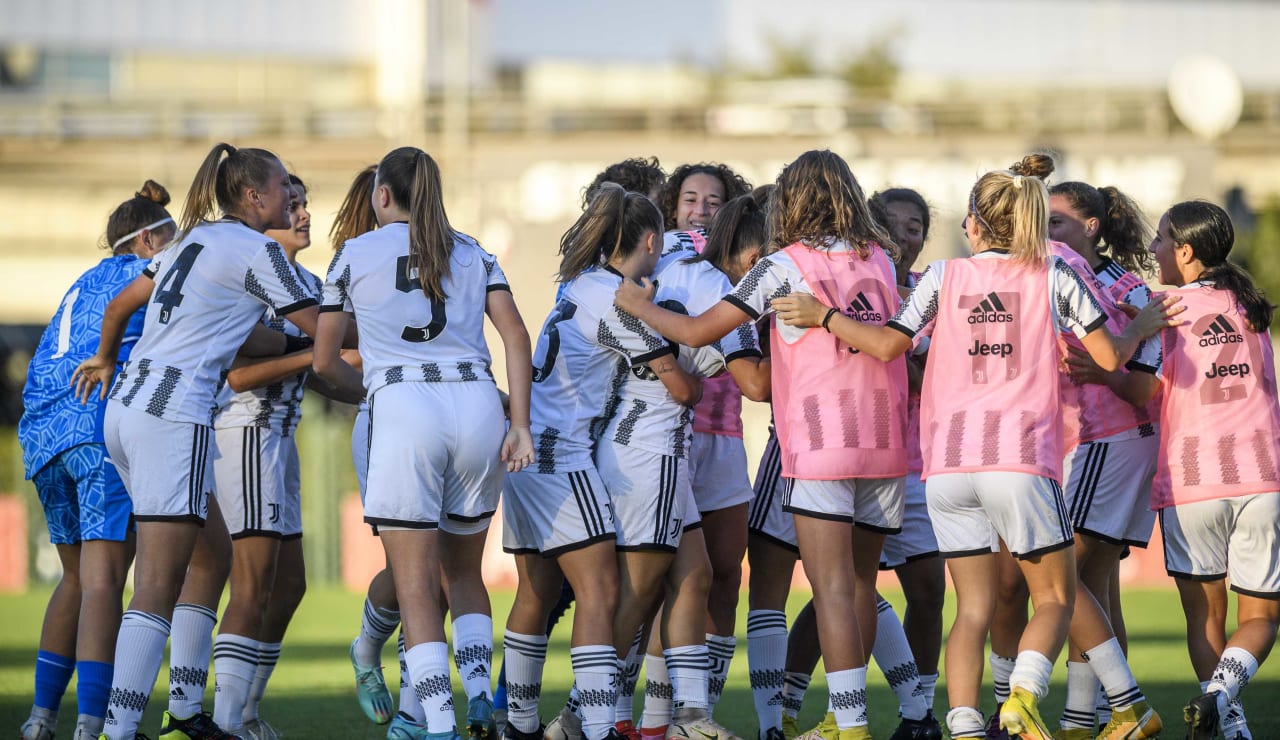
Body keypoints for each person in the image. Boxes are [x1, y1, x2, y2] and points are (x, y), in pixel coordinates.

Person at [763, 156, 1177, 740]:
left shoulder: (940, 276)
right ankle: (1022, 699)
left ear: (973, 223)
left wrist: (823, 316)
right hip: (1019, 458)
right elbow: (1110, 359)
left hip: (948, 466)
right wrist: (1135, 330)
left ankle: (964, 724)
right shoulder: (1054, 271)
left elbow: (886, 346)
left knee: (972, 610)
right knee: (1057, 595)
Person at [617, 149, 907, 740]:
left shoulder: (782, 264)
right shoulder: (879, 257)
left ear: (793, 200)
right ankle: (841, 719)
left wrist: (641, 308)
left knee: (827, 588)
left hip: (821, 442)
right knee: (860, 584)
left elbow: (700, 332)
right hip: (886, 440)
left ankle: (847, 722)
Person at [73, 142, 326, 740]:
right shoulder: (257, 248)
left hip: (129, 407)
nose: (292, 196)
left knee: (210, 552)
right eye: (282, 185)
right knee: (159, 581)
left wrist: (106, 359)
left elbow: (119, 304)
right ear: (252, 195)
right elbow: (322, 329)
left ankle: (186, 709)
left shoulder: (192, 239)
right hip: (176, 415)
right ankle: (120, 727)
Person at [313, 146, 534, 740]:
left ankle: (435, 724)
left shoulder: (355, 252)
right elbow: (516, 336)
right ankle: (481, 698)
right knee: (462, 574)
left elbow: (324, 360)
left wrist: (377, 389)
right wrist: (520, 424)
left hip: (403, 405)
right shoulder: (472, 249)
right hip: (477, 404)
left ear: (381, 195)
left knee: (415, 582)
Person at [1067, 200, 1279, 740]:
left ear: (1185, 251)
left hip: (1192, 481)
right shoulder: (1251, 304)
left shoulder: (1168, 308)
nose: (1155, 249)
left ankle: (1224, 716)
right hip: (1262, 476)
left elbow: (1142, 389)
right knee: (1260, 620)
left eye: (1162, 240)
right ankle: (1222, 706)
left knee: (1203, 618)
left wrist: (1101, 371)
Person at [500, 184, 676, 740]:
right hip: (560, 452)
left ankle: (519, 725)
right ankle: (598, 729)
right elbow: (678, 374)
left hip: (524, 449)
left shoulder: (580, 282)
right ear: (650, 240)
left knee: (537, 591)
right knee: (600, 593)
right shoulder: (619, 301)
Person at [18, 182, 177, 740]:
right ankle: (94, 724)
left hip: (43, 434)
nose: (174, 248)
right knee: (108, 577)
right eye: (170, 237)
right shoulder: (146, 277)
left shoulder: (80, 281)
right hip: (93, 425)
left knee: (76, 578)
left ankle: (40, 719)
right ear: (148, 239)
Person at [210, 173, 360, 739]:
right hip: (244, 433)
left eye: (305, 204)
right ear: (261, 209)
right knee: (249, 583)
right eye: (291, 204)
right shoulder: (249, 278)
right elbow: (238, 375)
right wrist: (314, 356)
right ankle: (226, 720)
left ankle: (244, 709)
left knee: (290, 583)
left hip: (279, 439)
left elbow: (328, 370)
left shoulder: (309, 285)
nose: (302, 214)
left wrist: (374, 387)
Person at [1046, 180, 1163, 739]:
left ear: (1091, 227)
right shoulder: (1075, 279)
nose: (1047, 234)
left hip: (1114, 439)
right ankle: (1085, 719)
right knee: (1094, 583)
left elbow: (1145, 383)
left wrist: (1106, 373)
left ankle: (1121, 707)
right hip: (1105, 441)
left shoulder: (1126, 290)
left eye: (1058, 223)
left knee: (1057, 574)